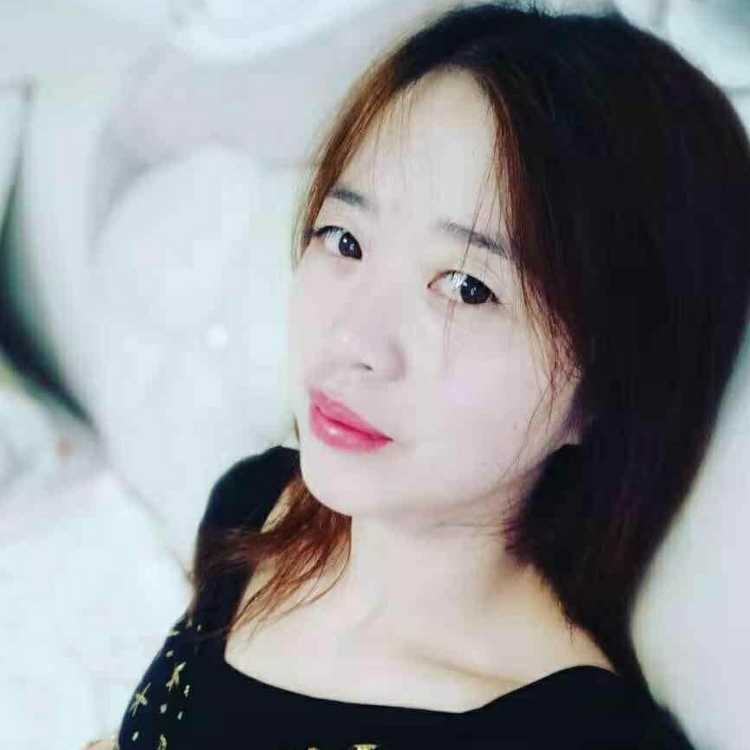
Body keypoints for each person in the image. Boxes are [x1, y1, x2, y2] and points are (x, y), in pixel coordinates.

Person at [89, 3, 750, 748]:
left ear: (607, 387)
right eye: (345, 239)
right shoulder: (255, 508)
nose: (352, 339)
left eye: (468, 287)